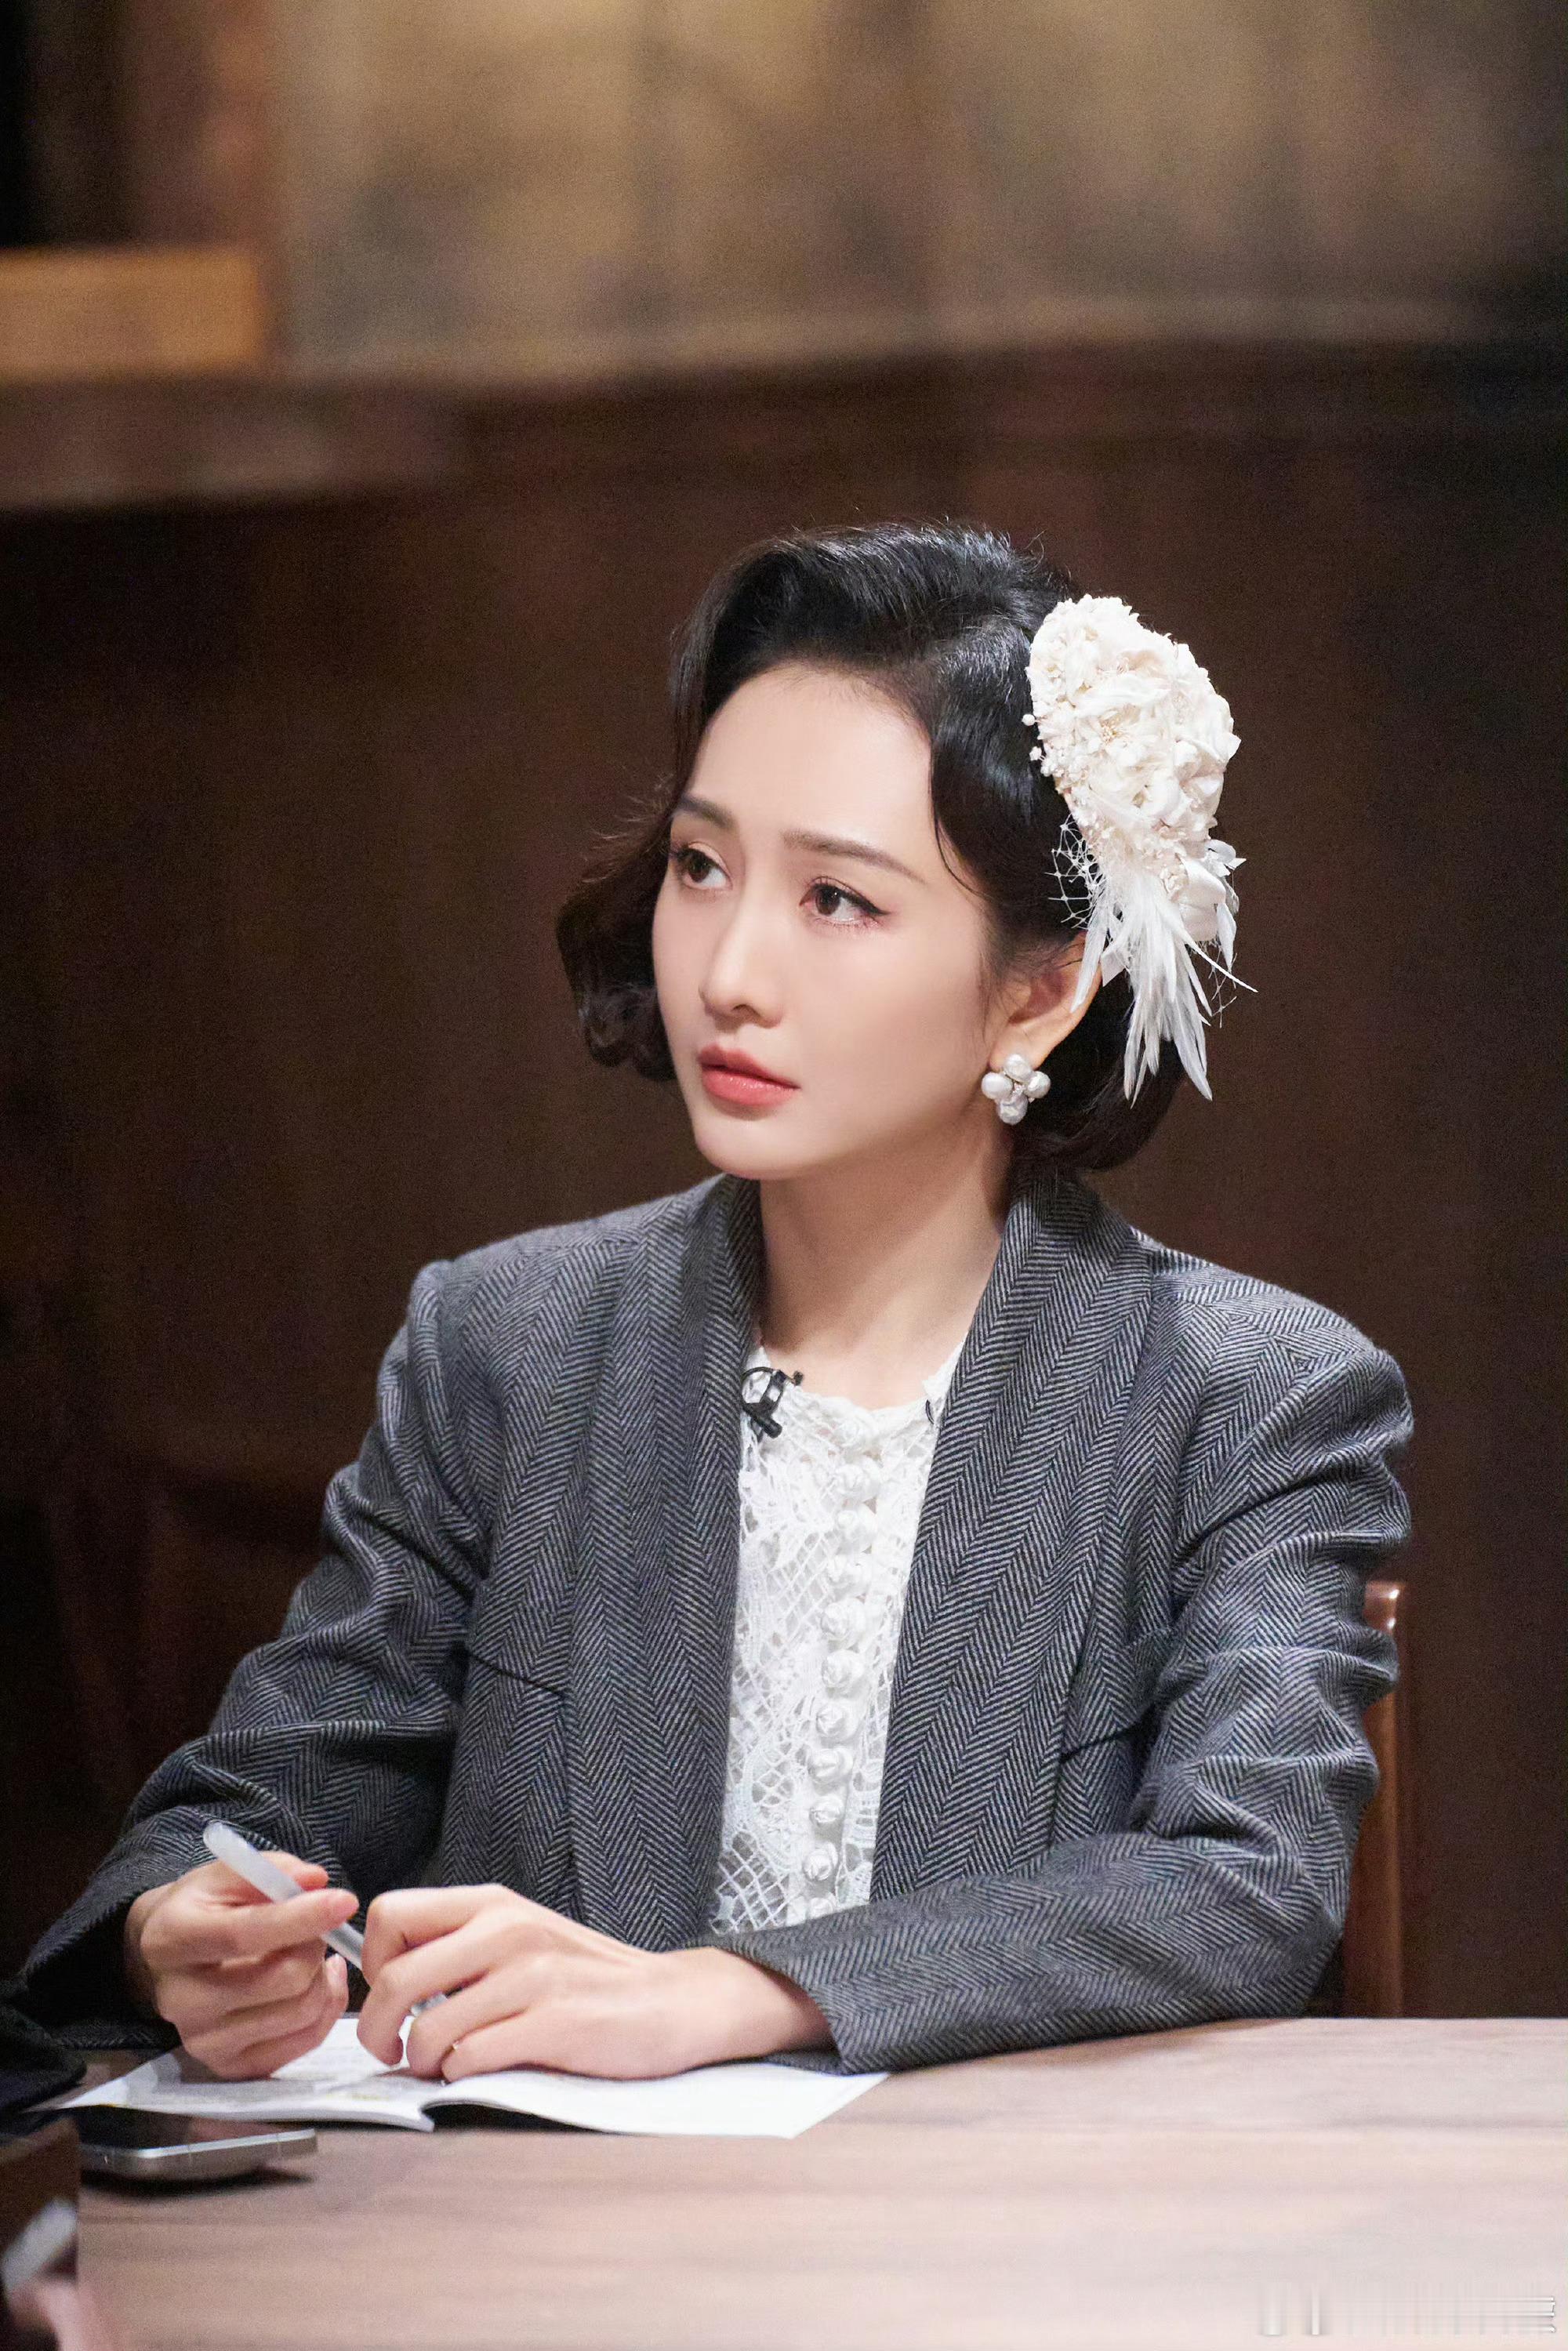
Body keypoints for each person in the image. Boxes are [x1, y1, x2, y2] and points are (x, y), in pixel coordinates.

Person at [17, 521, 1412, 2085]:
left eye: (838, 900)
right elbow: (267, 1794)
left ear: (1039, 988)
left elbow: (1244, 1883)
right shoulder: (508, 1347)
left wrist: (734, 1994)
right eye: (701, 866)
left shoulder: (1247, 1394)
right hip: (546, 2224)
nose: (729, 970)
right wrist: (181, 1933)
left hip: (1012, 2219)